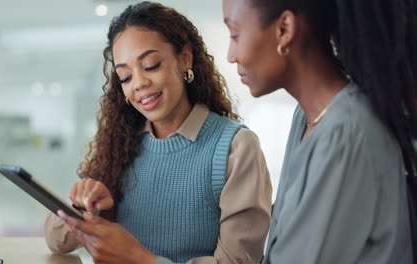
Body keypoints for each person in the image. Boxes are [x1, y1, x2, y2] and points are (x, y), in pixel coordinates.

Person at [46, 2, 272, 264]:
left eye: (151, 65)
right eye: (125, 77)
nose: (139, 83)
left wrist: (141, 259)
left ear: (185, 58)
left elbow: (236, 262)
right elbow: (55, 241)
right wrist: (85, 208)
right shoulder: (122, 144)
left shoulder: (235, 147)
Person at [221, 0, 416, 263]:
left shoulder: (346, 132)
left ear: (285, 29)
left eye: (235, 35)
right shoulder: (306, 118)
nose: (230, 55)